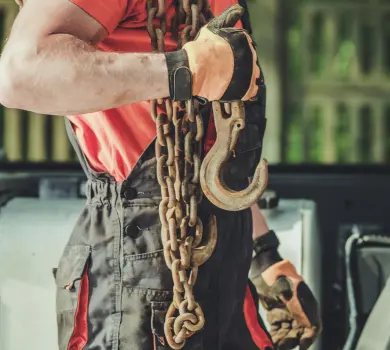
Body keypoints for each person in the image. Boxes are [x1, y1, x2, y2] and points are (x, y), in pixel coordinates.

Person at [0, 0, 321, 349]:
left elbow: (209, 156)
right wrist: (185, 70)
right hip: (138, 263)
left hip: (225, 260)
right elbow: (22, 71)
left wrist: (263, 258)